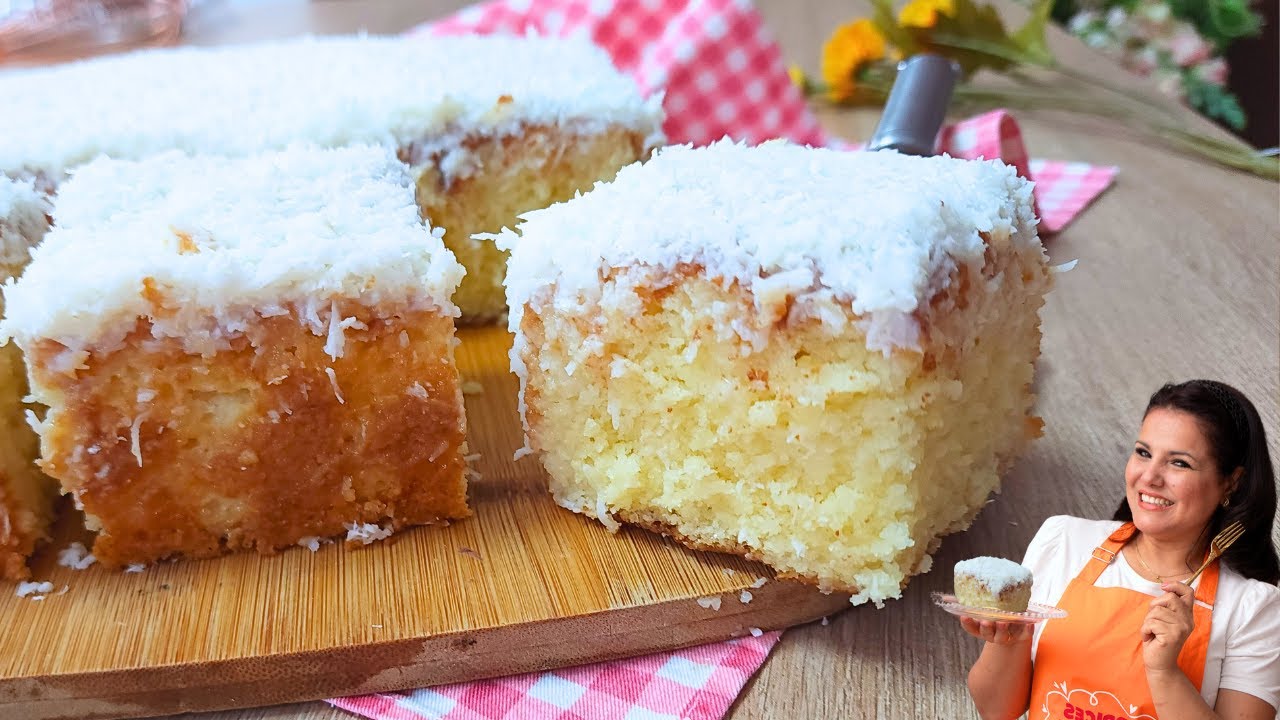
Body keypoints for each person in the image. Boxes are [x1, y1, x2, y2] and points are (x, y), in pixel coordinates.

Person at [961, 379, 1280, 720]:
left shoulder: (1253, 610)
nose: (1150, 477)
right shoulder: (1064, 540)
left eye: (1179, 463)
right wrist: (1007, 641)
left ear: (1231, 481)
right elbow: (996, 711)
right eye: (1143, 453)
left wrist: (1164, 671)